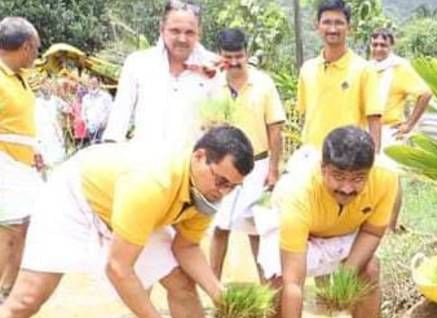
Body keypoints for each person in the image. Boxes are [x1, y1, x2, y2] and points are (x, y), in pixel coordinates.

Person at [0, 126, 254, 318]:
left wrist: (218, 293)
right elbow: (118, 268)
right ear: (199, 157)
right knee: (28, 298)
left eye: (232, 186)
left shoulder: (206, 193)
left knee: (182, 284)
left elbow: (186, 247)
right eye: (221, 181)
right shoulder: (154, 182)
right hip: (75, 197)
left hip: (127, 208)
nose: (223, 193)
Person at [256, 126, 398, 318]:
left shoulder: (386, 178)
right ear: (323, 169)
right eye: (338, 176)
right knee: (277, 282)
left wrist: (347, 274)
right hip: (298, 231)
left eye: (357, 179)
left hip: (345, 231)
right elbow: (294, 283)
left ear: (370, 172)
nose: (346, 188)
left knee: (369, 270)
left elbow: (373, 231)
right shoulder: (297, 193)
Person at [208, 28, 286, 282]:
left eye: (238, 55)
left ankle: (267, 291)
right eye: (228, 56)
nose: (233, 61)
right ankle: (213, 286)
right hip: (222, 168)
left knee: (259, 229)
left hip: (259, 167)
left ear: (247, 53)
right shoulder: (212, 86)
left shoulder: (263, 84)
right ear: (220, 55)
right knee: (220, 227)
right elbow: (207, 128)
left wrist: (274, 170)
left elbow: (275, 129)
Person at [104, 0, 218, 151]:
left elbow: (221, 126)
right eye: (175, 31)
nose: (182, 39)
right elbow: (118, 120)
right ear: (162, 28)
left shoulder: (214, 68)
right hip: (143, 167)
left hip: (192, 169)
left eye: (189, 32)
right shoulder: (138, 63)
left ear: (199, 32)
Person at [289, 0, 382, 172]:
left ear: (349, 27)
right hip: (312, 158)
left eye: (339, 22)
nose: (332, 28)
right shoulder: (307, 69)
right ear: (317, 26)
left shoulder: (364, 69)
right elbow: (305, 115)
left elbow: (374, 120)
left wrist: (374, 162)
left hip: (350, 159)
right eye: (327, 22)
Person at [369, 27, 433, 231]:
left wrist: (409, 124)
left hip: (390, 131)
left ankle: (391, 225)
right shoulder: (367, 68)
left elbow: (425, 94)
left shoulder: (400, 68)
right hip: (367, 130)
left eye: (383, 45)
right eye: (375, 44)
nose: (379, 49)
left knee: (392, 176)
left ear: (391, 46)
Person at [0, 17, 42, 303]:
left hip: (23, 165)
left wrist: (34, 148)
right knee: (10, 228)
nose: (38, 54)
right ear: (26, 46)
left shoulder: (20, 77)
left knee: (27, 224)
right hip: (5, 164)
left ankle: (8, 288)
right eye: (37, 48)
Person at [35, 79, 69, 166]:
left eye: (49, 85)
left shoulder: (56, 100)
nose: (47, 87)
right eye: (45, 85)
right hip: (41, 134)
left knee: (58, 159)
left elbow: (67, 108)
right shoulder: (36, 101)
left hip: (55, 133)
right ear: (41, 87)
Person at [81, 75, 113, 144]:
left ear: (99, 84)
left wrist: (104, 122)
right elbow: (83, 112)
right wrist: (86, 122)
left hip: (102, 128)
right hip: (91, 128)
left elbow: (110, 111)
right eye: (90, 83)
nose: (93, 86)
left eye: (94, 83)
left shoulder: (106, 97)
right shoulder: (85, 98)